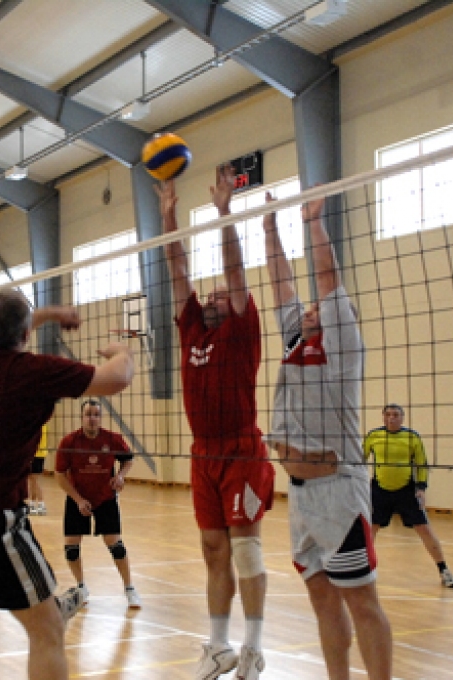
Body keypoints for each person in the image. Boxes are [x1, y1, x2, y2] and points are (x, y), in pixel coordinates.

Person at [0, 290, 135, 680]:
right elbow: (117, 378)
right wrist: (123, 351)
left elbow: (9, 327)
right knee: (48, 630)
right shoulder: (34, 372)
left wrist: (49, 313)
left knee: (37, 602)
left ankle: (44, 601)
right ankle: (47, 609)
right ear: (25, 335)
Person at [264, 195, 392, 680]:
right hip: (300, 497)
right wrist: (269, 227)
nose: (310, 308)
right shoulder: (296, 342)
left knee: (362, 601)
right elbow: (281, 284)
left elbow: (325, 277)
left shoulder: (342, 349)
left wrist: (313, 223)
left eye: (319, 307)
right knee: (322, 601)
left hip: (339, 492)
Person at [156, 167, 274, 680]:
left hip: (241, 449)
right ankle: (219, 646)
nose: (210, 297)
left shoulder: (242, 330)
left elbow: (235, 271)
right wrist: (168, 215)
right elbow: (177, 268)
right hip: (202, 452)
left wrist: (225, 214)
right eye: (208, 296)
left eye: (219, 296)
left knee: (245, 548)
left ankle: (254, 649)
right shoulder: (191, 331)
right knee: (212, 549)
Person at [54, 400, 141, 609]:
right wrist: (78, 500)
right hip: (78, 498)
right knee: (71, 549)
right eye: (88, 414)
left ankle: (129, 588)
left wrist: (120, 476)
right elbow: (59, 475)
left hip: (105, 498)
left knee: (116, 547)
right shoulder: (69, 442)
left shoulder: (112, 439)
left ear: (100, 418)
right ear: (82, 417)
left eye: (96, 414)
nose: (92, 418)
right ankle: (81, 586)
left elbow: (128, 459)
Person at [363, 404, 453, 588]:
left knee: (424, 528)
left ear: (402, 418)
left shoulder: (412, 437)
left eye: (395, 415)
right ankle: (364, 570)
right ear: (383, 417)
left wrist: (421, 488)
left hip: (406, 490)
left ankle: (444, 570)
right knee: (370, 529)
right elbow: (360, 459)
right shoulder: (374, 436)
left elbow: (421, 463)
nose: (391, 418)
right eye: (388, 414)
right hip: (380, 490)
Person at [28, 426, 49, 516]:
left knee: (33, 480)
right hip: (38, 454)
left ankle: (39, 504)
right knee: (32, 480)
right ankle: (34, 504)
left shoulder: (39, 425)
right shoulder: (42, 424)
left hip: (36, 454)